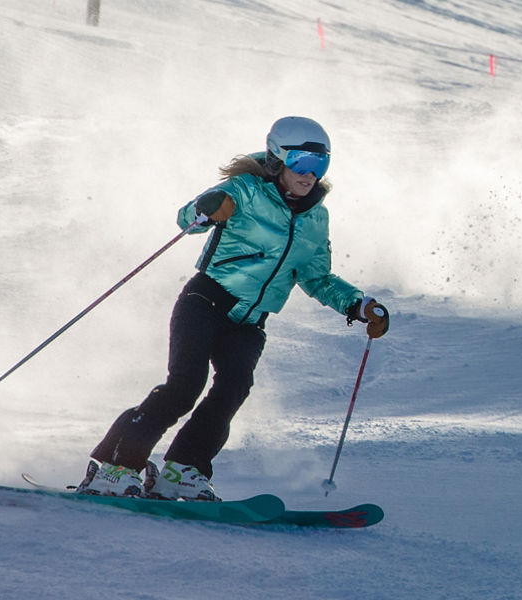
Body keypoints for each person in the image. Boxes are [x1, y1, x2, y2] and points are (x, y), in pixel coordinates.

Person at [79, 117, 392, 500]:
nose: (310, 174)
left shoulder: (316, 217)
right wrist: (209, 208)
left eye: (320, 164)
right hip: (207, 300)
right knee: (184, 386)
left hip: (249, 321)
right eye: (301, 163)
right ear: (278, 159)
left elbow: (316, 278)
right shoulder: (244, 190)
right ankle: (114, 467)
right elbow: (188, 220)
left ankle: (182, 471)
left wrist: (358, 305)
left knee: (233, 387)